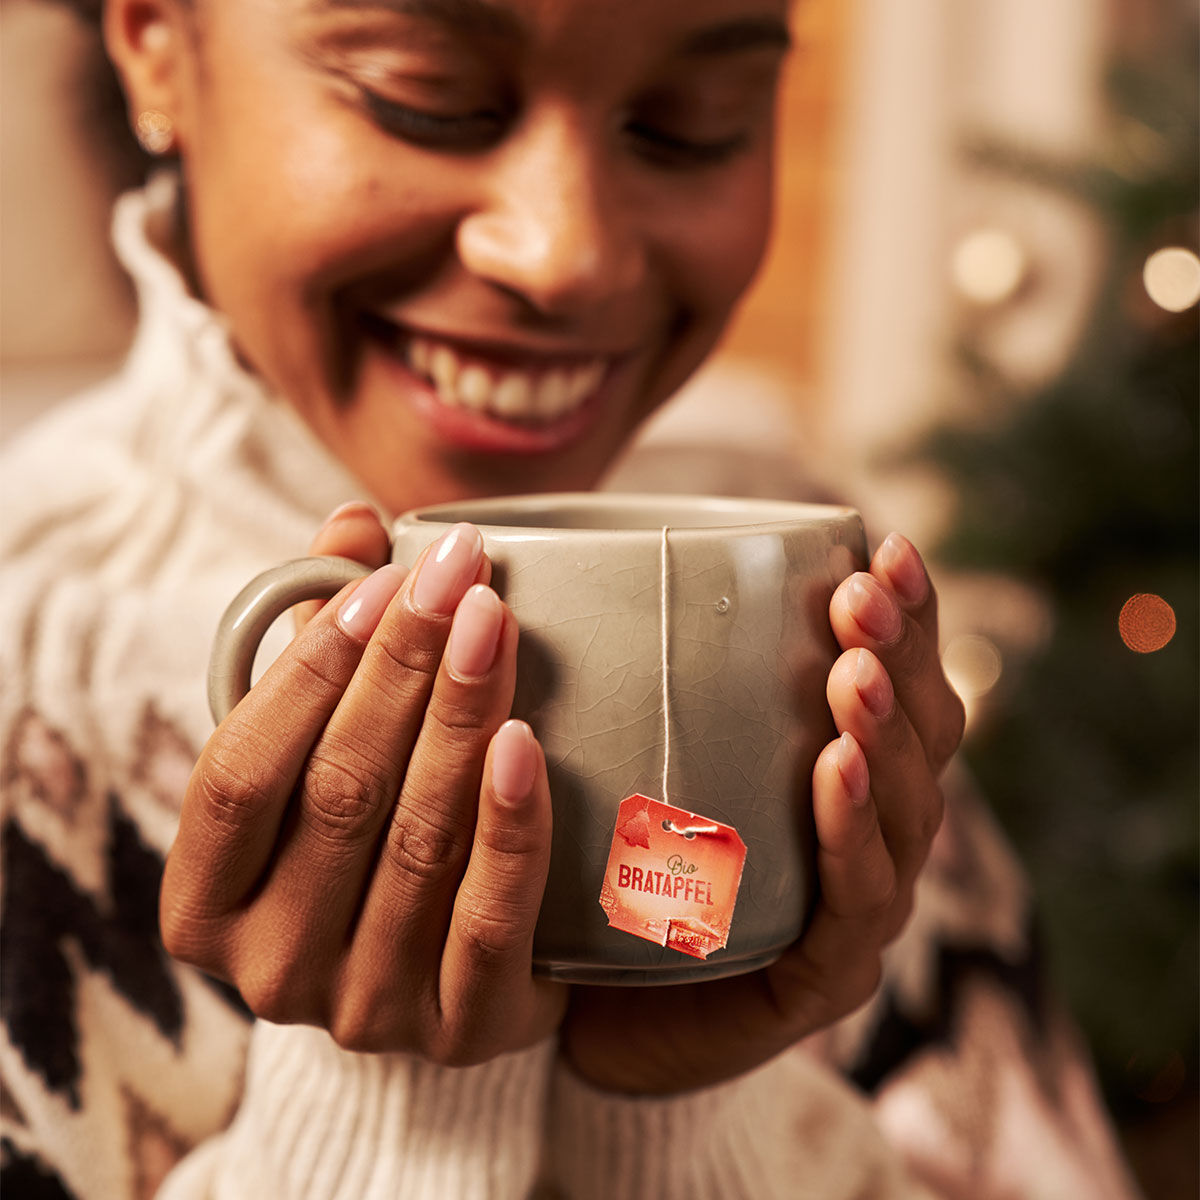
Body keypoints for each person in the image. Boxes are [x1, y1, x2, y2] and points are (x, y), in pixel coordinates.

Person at [0, 0, 1141, 1197]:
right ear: (152, 44)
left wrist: (679, 1116)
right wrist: (393, 1109)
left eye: (693, 125)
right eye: (426, 97)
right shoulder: (33, 675)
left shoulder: (808, 653)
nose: (568, 254)